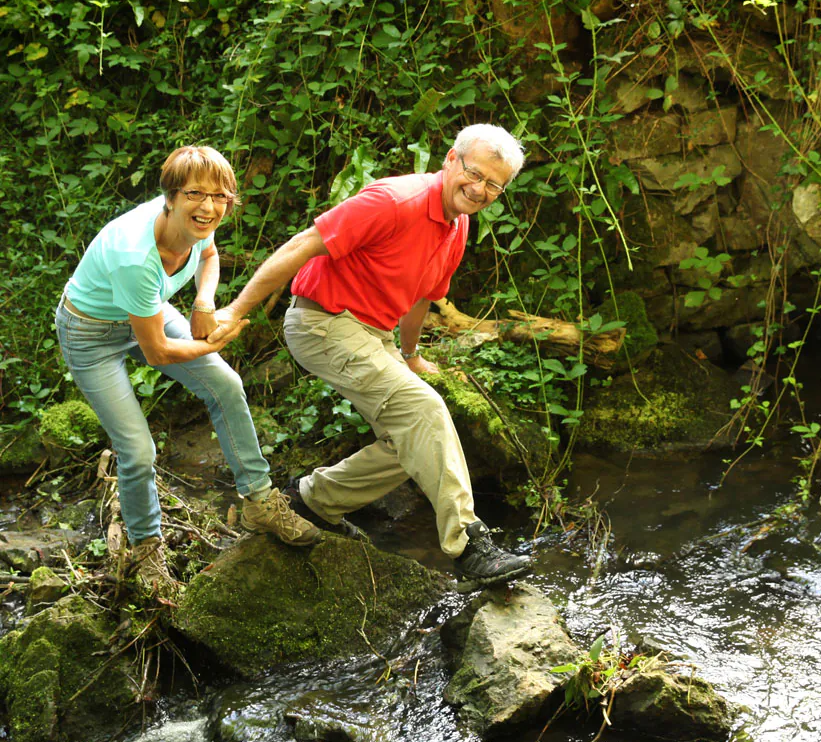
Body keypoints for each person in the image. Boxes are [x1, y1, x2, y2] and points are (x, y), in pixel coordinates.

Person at [209, 124, 531, 589]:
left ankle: (313, 501)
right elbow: (303, 245)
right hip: (322, 322)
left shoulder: (458, 226)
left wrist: (411, 354)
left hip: (372, 333)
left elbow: (422, 297)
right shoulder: (393, 201)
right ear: (450, 160)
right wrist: (234, 310)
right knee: (423, 410)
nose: (480, 189)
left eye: (494, 185)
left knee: (413, 440)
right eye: (474, 174)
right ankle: (469, 546)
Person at [55, 146, 319, 593]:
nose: (210, 206)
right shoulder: (135, 256)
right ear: (171, 198)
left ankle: (259, 502)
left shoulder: (199, 224)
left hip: (146, 311)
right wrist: (208, 341)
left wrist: (203, 303)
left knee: (226, 384)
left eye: (221, 197)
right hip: (90, 334)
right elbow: (157, 352)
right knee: (138, 451)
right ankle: (145, 549)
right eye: (196, 194)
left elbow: (210, 256)